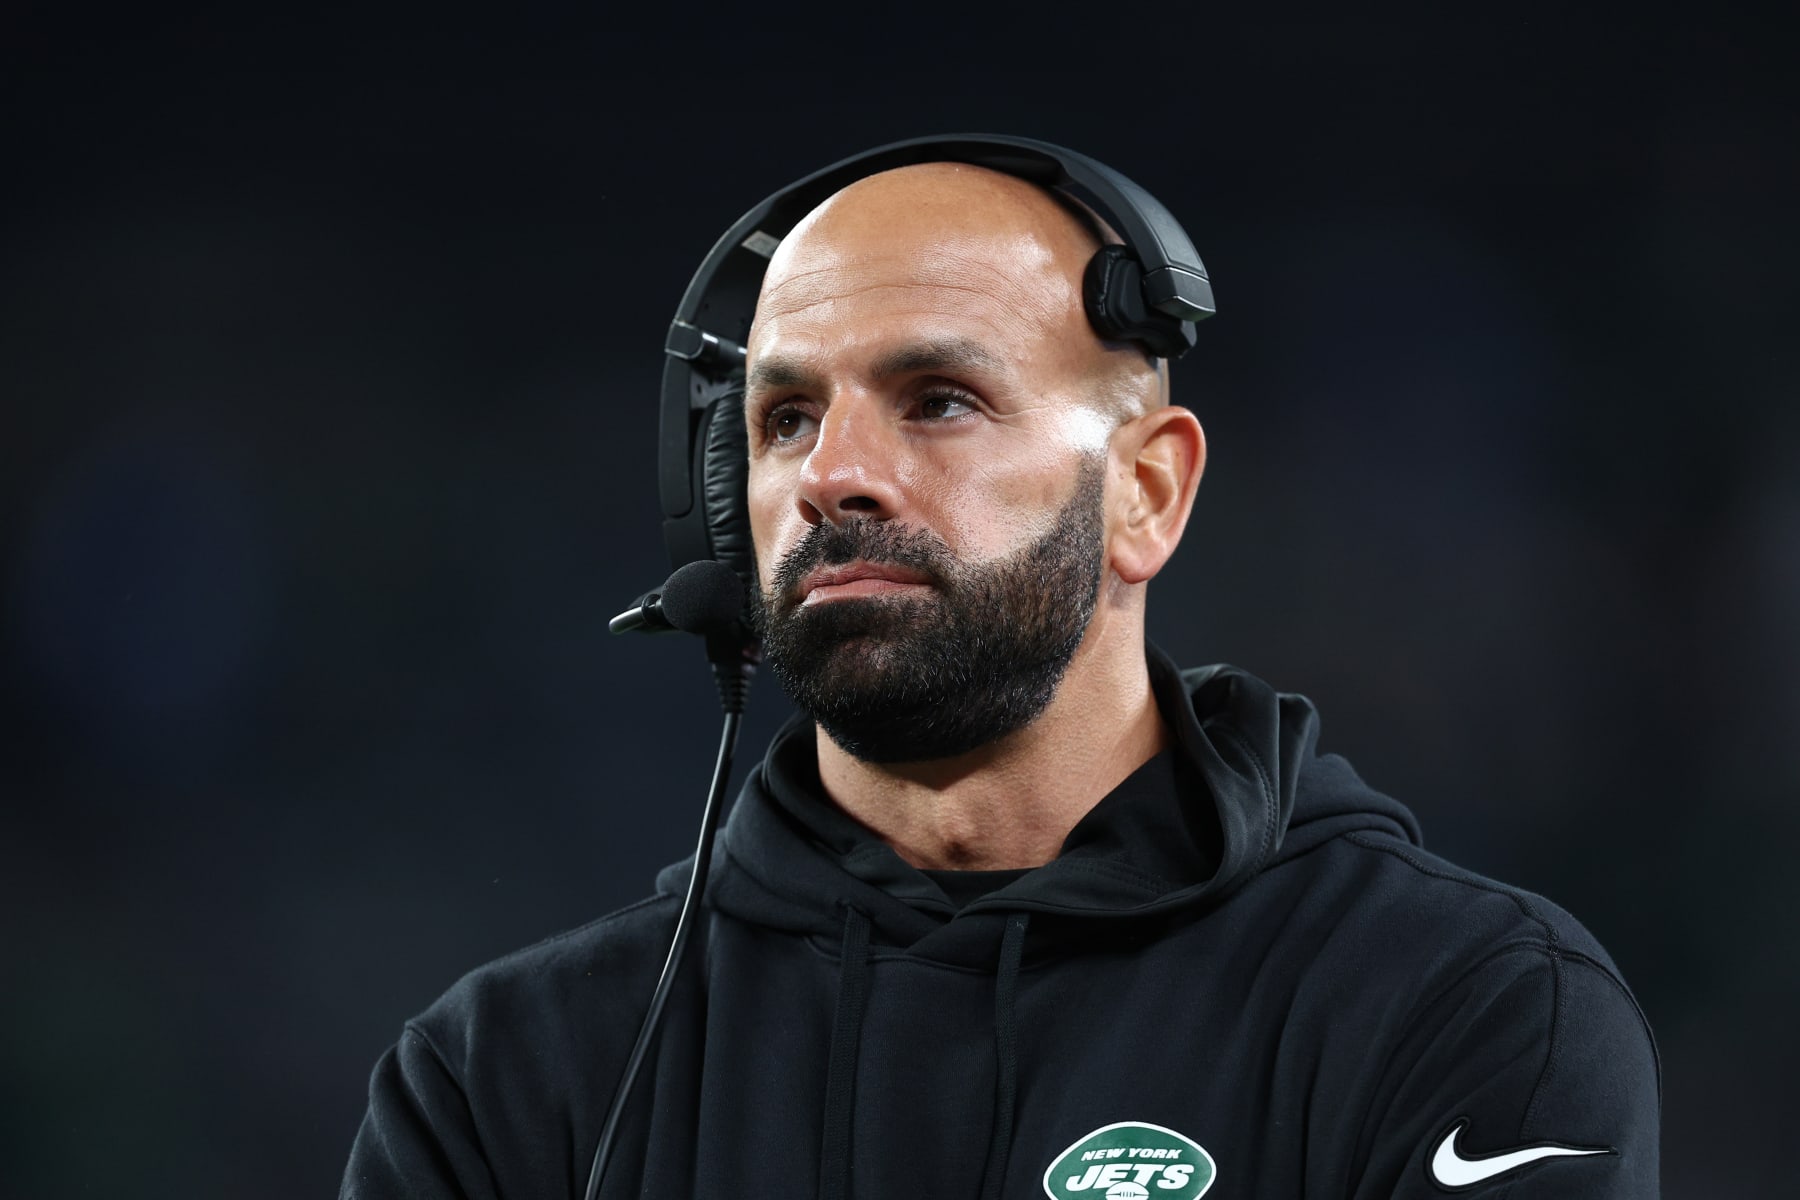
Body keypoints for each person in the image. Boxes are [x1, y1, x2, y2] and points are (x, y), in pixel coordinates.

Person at [342, 149, 1660, 1198]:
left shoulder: (1460, 1009)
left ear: (1146, 491)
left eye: (939, 401)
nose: (832, 474)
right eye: (784, 418)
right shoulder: (507, 1079)